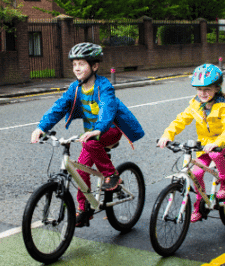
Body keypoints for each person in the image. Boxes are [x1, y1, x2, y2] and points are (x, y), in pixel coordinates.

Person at [31, 42, 145, 227]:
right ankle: (84, 210)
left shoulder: (104, 86)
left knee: (91, 143)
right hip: (92, 133)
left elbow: (107, 108)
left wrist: (99, 128)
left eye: (81, 64)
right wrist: (41, 127)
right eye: (74, 64)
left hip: (110, 129)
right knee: (80, 169)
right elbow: (59, 107)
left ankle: (112, 175)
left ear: (94, 66)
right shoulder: (75, 88)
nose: (77, 68)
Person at [158, 64, 225, 223]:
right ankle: (199, 205)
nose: (202, 94)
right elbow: (180, 120)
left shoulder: (224, 107)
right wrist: (167, 135)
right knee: (195, 173)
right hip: (205, 144)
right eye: (199, 90)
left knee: (216, 154)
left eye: (207, 89)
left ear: (217, 89)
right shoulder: (195, 105)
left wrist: (217, 142)